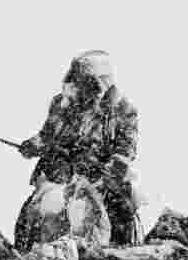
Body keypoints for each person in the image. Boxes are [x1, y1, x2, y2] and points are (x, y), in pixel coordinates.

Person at [18, 50, 145, 247]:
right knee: (34, 213)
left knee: (120, 219)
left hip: (101, 183)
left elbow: (124, 155)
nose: (81, 87)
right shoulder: (62, 103)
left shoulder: (124, 110)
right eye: (78, 80)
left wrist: (97, 184)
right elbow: (47, 135)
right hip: (60, 175)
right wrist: (32, 146)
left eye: (86, 82)